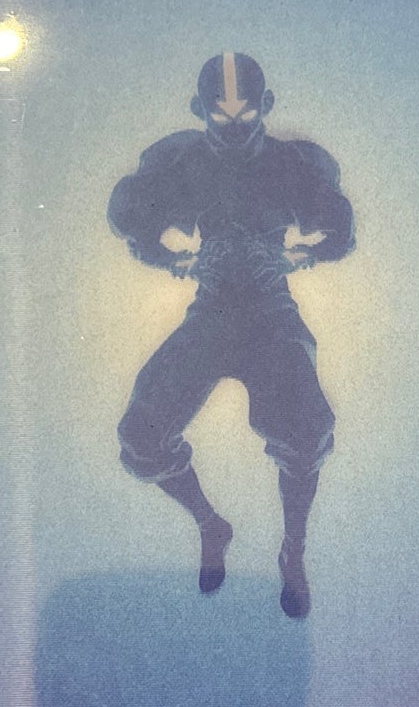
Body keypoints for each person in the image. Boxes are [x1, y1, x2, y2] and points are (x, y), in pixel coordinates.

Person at [109, 53, 354, 617]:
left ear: (265, 106)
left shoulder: (290, 165)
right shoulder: (186, 165)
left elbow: (339, 228)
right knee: (142, 436)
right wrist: (169, 258)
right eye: (222, 116)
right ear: (200, 110)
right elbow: (135, 221)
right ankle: (210, 524)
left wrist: (306, 254)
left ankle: (293, 547)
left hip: (271, 314)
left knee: (305, 433)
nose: (235, 128)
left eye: (245, 115)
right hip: (213, 313)